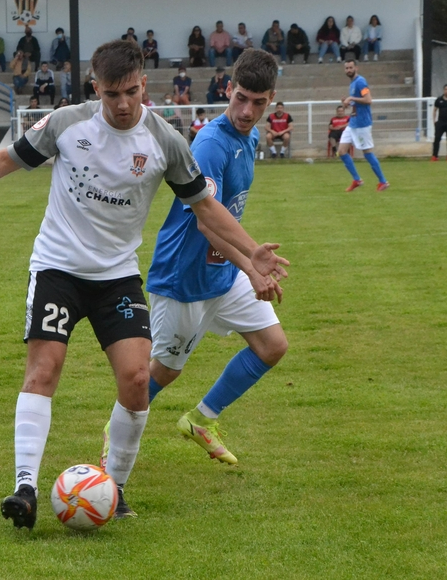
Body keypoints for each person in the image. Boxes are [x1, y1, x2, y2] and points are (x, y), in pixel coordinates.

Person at [0, 40, 287, 530]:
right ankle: (24, 489)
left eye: (131, 91)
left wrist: (251, 251)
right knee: (45, 369)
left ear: (143, 85)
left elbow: (205, 206)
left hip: (116, 275)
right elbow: (8, 159)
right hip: (57, 268)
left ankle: (116, 487)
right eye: (113, 94)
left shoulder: (166, 140)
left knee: (137, 380)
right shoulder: (67, 123)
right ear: (97, 89)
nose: (124, 104)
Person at [100, 48, 289, 469]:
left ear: (270, 98)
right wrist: (252, 267)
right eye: (241, 98)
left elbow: (228, 217)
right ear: (228, 88)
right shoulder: (210, 145)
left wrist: (244, 265)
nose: (247, 110)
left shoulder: (251, 137)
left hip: (221, 270)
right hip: (184, 277)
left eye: (258, 102)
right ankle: (111, 445)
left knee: (272, 345)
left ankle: (201, 420)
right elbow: (206, 223)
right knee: (162, 372)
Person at [339, 59, 389, 191]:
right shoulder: (353, 83)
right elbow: (356, 103)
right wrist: (347, 103)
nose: (349, 70)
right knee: (342, 151)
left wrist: (352, 99)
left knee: (367, 153)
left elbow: (368, 100)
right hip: (353, 123)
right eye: (346, 68)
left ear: (356, 68)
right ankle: (357, 179)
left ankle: (383, 181)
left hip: (362, 124)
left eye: (351, 67)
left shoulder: (360, 81)